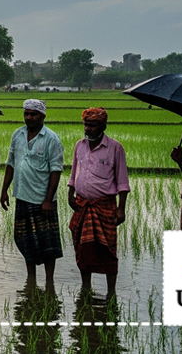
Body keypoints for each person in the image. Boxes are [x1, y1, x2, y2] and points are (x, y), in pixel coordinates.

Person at [0, 98, 64, 284]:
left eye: (33, 114)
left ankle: (49, 280)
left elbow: (56, 170)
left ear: (42, 116)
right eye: (26, 114)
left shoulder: (51, 139)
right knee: (26, 239)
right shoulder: (17, 135)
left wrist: (48, 200)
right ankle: (31, 279)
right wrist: (4, 190)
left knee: (47, 243)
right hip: (22, 196)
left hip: (42, 199)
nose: (29, 117)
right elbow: (11, 163)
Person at [68, 107, 129, 298]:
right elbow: (74, 172)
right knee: (82, 248)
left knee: (107, 250)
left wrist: (121, 208)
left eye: (93, 125)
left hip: (103, 207)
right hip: (82, 205)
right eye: (86, 124)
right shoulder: (80, 146)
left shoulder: (115, 148)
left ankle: (111, 292)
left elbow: (122, 181)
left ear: (103, 126)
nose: (88, 129)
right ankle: (86, 287)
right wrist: (70, 193)